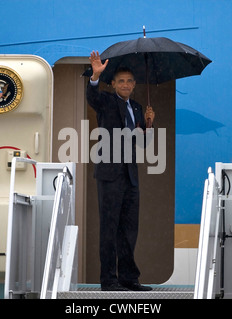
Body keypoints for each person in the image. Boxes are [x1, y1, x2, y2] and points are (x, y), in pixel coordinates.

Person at [86, 51, 155, 291]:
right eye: (120, 81)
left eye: (129, 81)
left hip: (130, 176)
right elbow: (92, 98)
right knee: (109, 227)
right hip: (109, 174)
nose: (125, 84)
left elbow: (143, 143)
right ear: (113, 84)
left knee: (128, 229)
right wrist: (95, 76)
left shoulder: (137, 108)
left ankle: (128, 278)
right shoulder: (105, 100)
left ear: (134, 85)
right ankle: (109, 280)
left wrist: (149, 125)